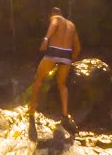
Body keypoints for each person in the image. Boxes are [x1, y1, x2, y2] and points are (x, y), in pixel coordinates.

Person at [28, 7, 80, 140]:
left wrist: (46, 39)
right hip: (67, 54)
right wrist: (71, 60)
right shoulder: (72, 25)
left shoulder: (55, 18)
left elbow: (54, 24)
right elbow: (77, 47)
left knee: (38, 80)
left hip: (54, 52)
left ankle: (32, 110)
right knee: (62, 84)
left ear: (52, 14)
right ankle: (65, 115)